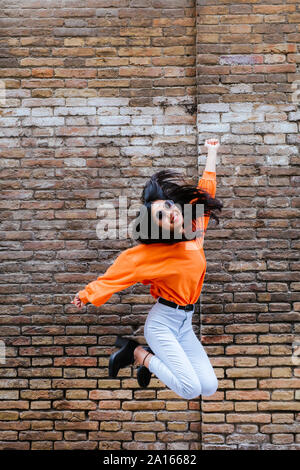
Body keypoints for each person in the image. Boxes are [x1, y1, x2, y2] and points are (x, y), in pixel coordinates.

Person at [71, 138, 222, 399]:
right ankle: (137, 353)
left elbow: (206, 190)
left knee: (208, 388)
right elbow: (120, 272)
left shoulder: (194, 227)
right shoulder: (152, 255)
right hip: (163, 323)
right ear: (157, 230)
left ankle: (144, 358)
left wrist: (212, 152)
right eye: (160, 217)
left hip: (184, 323)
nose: (169, 213)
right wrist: (87, 294)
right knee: (190, 389)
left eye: (166, 207)